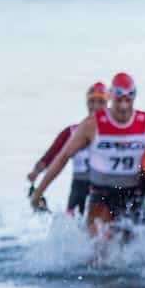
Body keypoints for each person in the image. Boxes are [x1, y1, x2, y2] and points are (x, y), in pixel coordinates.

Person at [30, 73, 145, 239]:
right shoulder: (91, 125)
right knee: (98, 252)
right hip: (102, 193)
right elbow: (61, 157)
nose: (123, 107)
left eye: (128, 101)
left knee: (136, 251)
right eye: (119, 101)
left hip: (136, 193)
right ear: (112, 98)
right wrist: (39, 191)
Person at [29, 82, 108, 215]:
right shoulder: (72, 132)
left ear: (107, 105)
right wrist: (36, 173)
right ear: (87, 103)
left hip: (105, 186)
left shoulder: (115, 133)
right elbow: (52, 155)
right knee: (72, 223)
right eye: (92, 101)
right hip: (80, 186)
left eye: (100, 102)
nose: (96, 106)